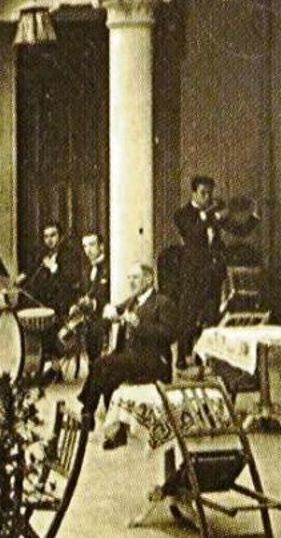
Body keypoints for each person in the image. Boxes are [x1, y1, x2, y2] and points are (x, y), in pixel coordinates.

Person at [77, 264, 177, 448]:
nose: (131, 282)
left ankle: (87, 412)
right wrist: (109, 313)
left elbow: (169, 335)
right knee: (107, 377)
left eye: (136, 278)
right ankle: (116, 433)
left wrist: (139, 325)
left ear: (149, 280)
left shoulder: (162, 303)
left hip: (152, 361)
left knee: (102, 365)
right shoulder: (133, 301)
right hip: (130, 358)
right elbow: (115, 311)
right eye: (129, 277)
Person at [170, 175, 228, 362]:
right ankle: (181, 357)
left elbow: (237, 229)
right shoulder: (182, 214)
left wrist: (254, 216)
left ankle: (203, 357)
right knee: (188, 315)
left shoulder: (213, 215)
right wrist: (205, 217)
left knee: (211, 316)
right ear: (193, 193)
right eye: (203, 193)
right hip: (193, 274)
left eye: (210, 194)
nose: (207, 198)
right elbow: (192, 234)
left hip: (213, 274)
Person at [68, 232, 111, 363]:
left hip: (104, 313)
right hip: (88, 315)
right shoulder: (86, 269)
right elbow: (82, 290)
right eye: (85, 246)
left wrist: (94, 303)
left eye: (92, 245)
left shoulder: (109, 267)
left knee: (95, 330)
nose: (88, 250)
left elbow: (110, 294)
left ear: (102, 246)